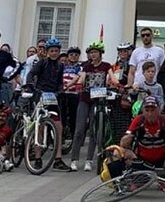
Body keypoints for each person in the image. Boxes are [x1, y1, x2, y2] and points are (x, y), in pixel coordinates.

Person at [69, 41, 118, 172]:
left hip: (98, 100)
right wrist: (78, 84)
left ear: (100, 54)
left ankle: (89, 160)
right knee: (79, 129)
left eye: (95, 52)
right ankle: (74, 159)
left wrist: (117, 84)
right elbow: (82, 78)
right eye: (91, 53)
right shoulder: (86, 66)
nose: (93, 55)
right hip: (85, 99)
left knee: (94, 131)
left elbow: (112, 77)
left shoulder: (106, 65)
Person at [25, 37, 71, 172]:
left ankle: (58, 159)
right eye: (52, 51)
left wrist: (61, 90)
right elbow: (31, 74)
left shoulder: (60, 65)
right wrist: (30, 86)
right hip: (40, 95)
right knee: (40, 126)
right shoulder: (41, 63)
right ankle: (38, 158)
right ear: (47, 51)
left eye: (56, 51)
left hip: (53, 97)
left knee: (58, 126)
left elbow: (60, 82)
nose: (54, 53)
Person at [119, 96, 165, 169]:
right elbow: (122, 143)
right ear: (143, 111)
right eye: (147, 110)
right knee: (118, 152)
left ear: (158, 110)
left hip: (164, 161)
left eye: (153, 110)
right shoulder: (138, 120)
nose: (150, 114)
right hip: (141, 161)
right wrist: (131, 136)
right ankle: (129, 173)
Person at [59, 46, 83, 158]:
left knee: (74, 118)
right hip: (63, 94)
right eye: (71, 54)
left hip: (74, 95)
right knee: (61, 117)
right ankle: (61, 138)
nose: (73, 56)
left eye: (76, 55)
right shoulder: (63, 67)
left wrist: (69, 85)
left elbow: (77, 78)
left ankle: (74, 139)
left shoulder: (80, 67)